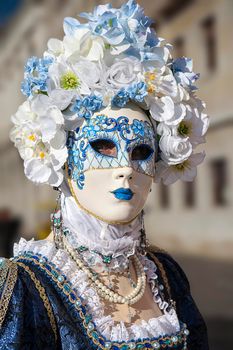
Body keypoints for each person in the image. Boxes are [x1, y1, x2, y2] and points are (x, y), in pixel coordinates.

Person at [0, 1, 209, 349]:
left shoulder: (165, 275)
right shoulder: (25, 288)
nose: (126, 168)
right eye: (104, 147)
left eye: (142, 152)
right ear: (65, 160)